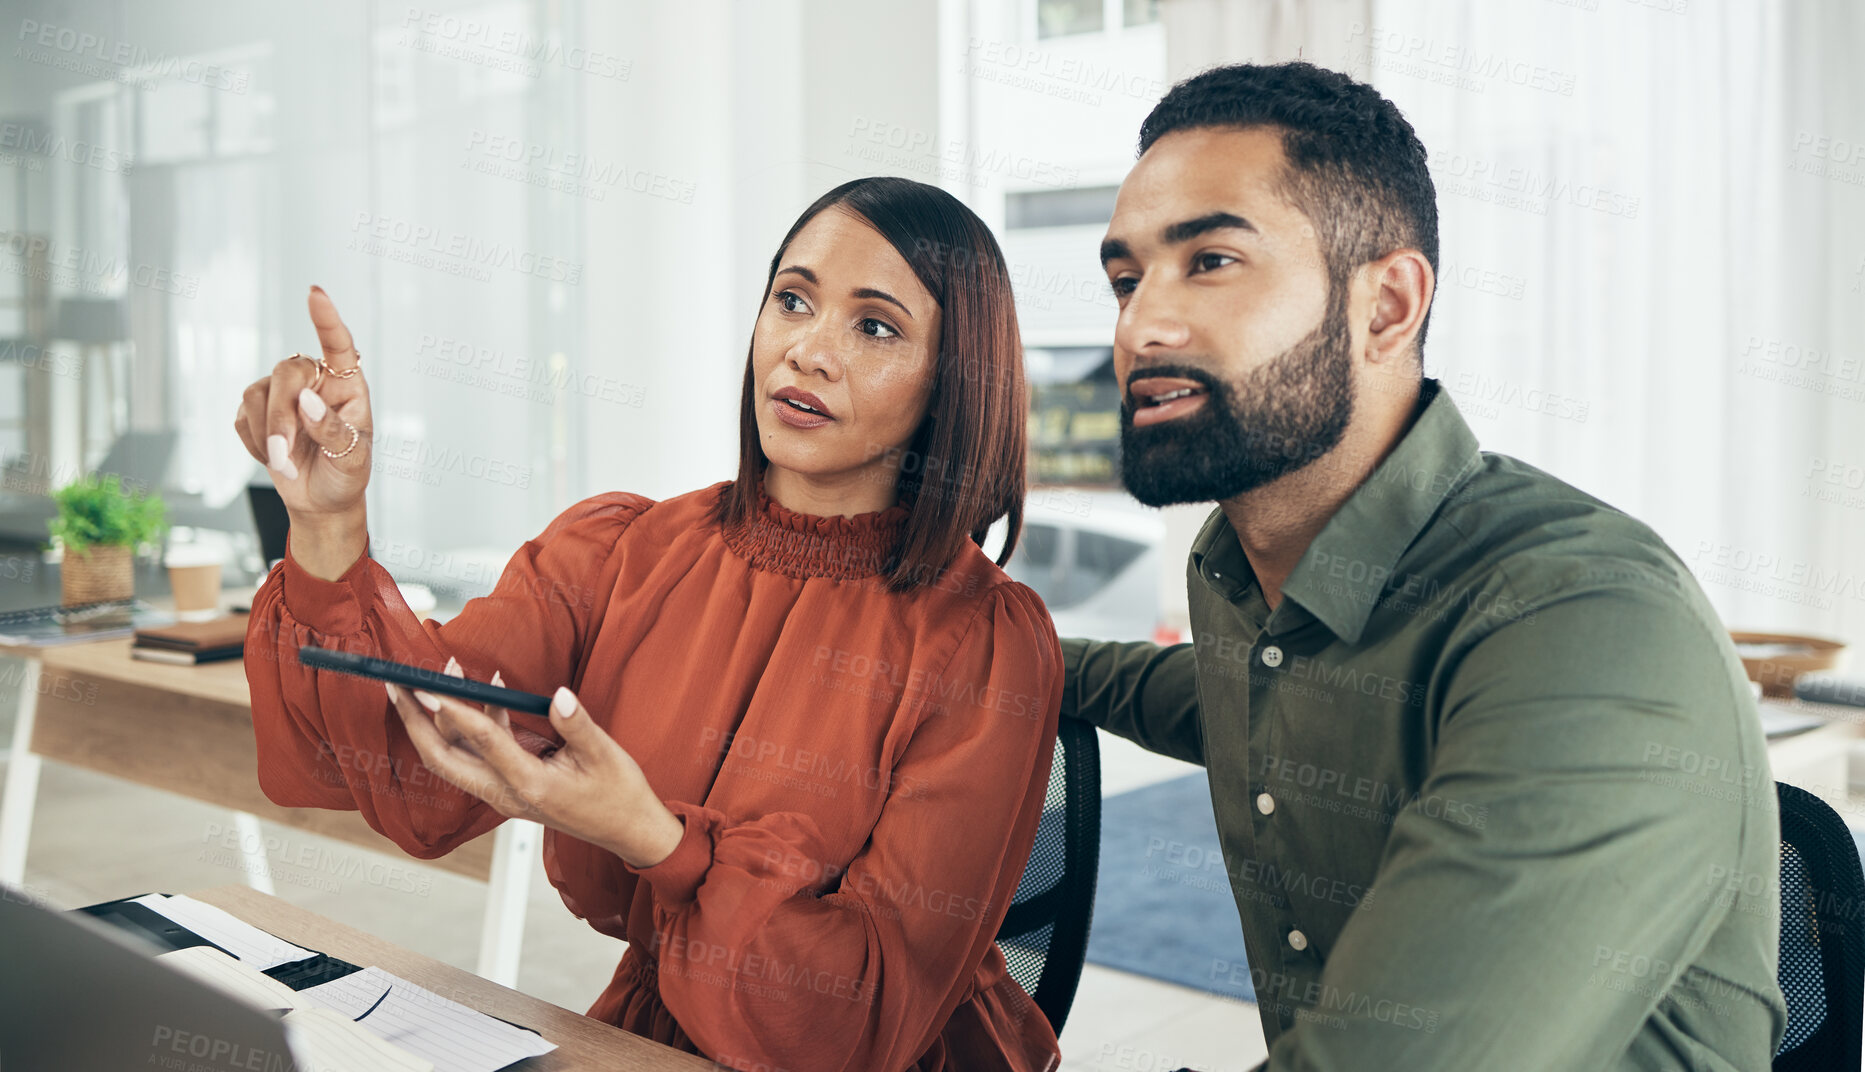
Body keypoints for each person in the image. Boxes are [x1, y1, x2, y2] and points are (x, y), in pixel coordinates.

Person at [232, 176, 1064, 1072]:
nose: (808, 352)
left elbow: (856, 1022)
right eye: (792, 300)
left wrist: (654, 840)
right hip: (650, 1035)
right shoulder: (621, 549)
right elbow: (414, 772)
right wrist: (326, 527)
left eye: (875, 327)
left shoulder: (986, 644)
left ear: (952, 383)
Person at [1064, 62, 1786, 1069]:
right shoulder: (1237, 572)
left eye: (1211, 261)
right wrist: (1005, 648)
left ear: (1385, 305)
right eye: (1125, 280)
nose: (1139, 327)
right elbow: (1244, 696)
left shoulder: (1584, 620)